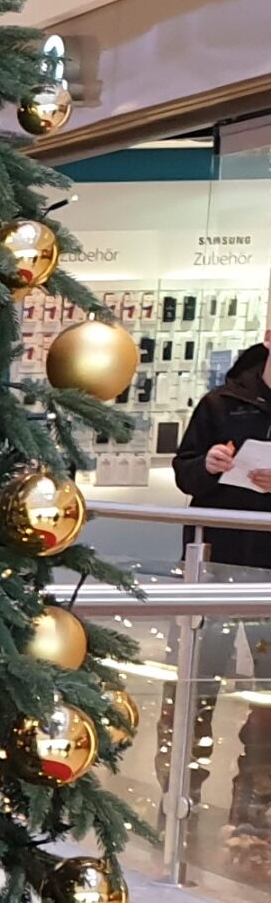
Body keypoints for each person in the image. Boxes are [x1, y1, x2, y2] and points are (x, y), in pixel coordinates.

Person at [167, 327, 271, 866]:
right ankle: (175, 799)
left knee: (268, 697)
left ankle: (254, 813)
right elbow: (186, 472)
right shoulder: (222, 403)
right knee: (194, 683)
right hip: (214, 566)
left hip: (269, 578)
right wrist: (206, 466)